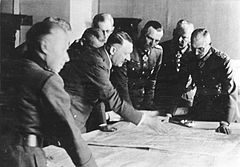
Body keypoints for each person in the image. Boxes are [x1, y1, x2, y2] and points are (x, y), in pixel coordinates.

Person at [0, 21, 97, 167]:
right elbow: (69, 133)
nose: (67, 57)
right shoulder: (47, 79)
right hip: (24, 159)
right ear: (44, 47)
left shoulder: (8, 67)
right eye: (64, 49)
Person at [61, 31, 168, 133]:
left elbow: (98, 94)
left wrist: (102, 124)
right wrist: (146, 120)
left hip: (77, 115)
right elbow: (110, 96)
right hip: (70, 115)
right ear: (112, 50)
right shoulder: (96, 62)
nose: (128, 58)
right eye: (126, 53)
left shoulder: (102, 60)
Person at [188, 28, 240, 134]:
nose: (196, 53)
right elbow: (180, 84)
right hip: (200, 109)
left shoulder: (222, 61)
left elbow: (230, 92)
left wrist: (225, 122)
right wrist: (169, 113)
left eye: (200, 49)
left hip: (221, 111)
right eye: (194, 48)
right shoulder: (190, 57)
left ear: (210, 44)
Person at [154, 19, 195, 117]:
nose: (180, 40)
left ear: (190, 38)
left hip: (184, 100)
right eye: (177, 35)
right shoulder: (163, 49)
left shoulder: (194, 54)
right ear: (173, 32)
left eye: (184, 37)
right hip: (163, 98)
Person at [127, 20, 163, 109]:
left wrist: (148, 105)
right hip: (127, 99)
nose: (152, 43)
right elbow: (121, 82)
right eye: (150, 38)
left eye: (157, 41)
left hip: (143, 101)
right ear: (143, 33)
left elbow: (152, 80)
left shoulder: (158, 51)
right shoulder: (130, 49)